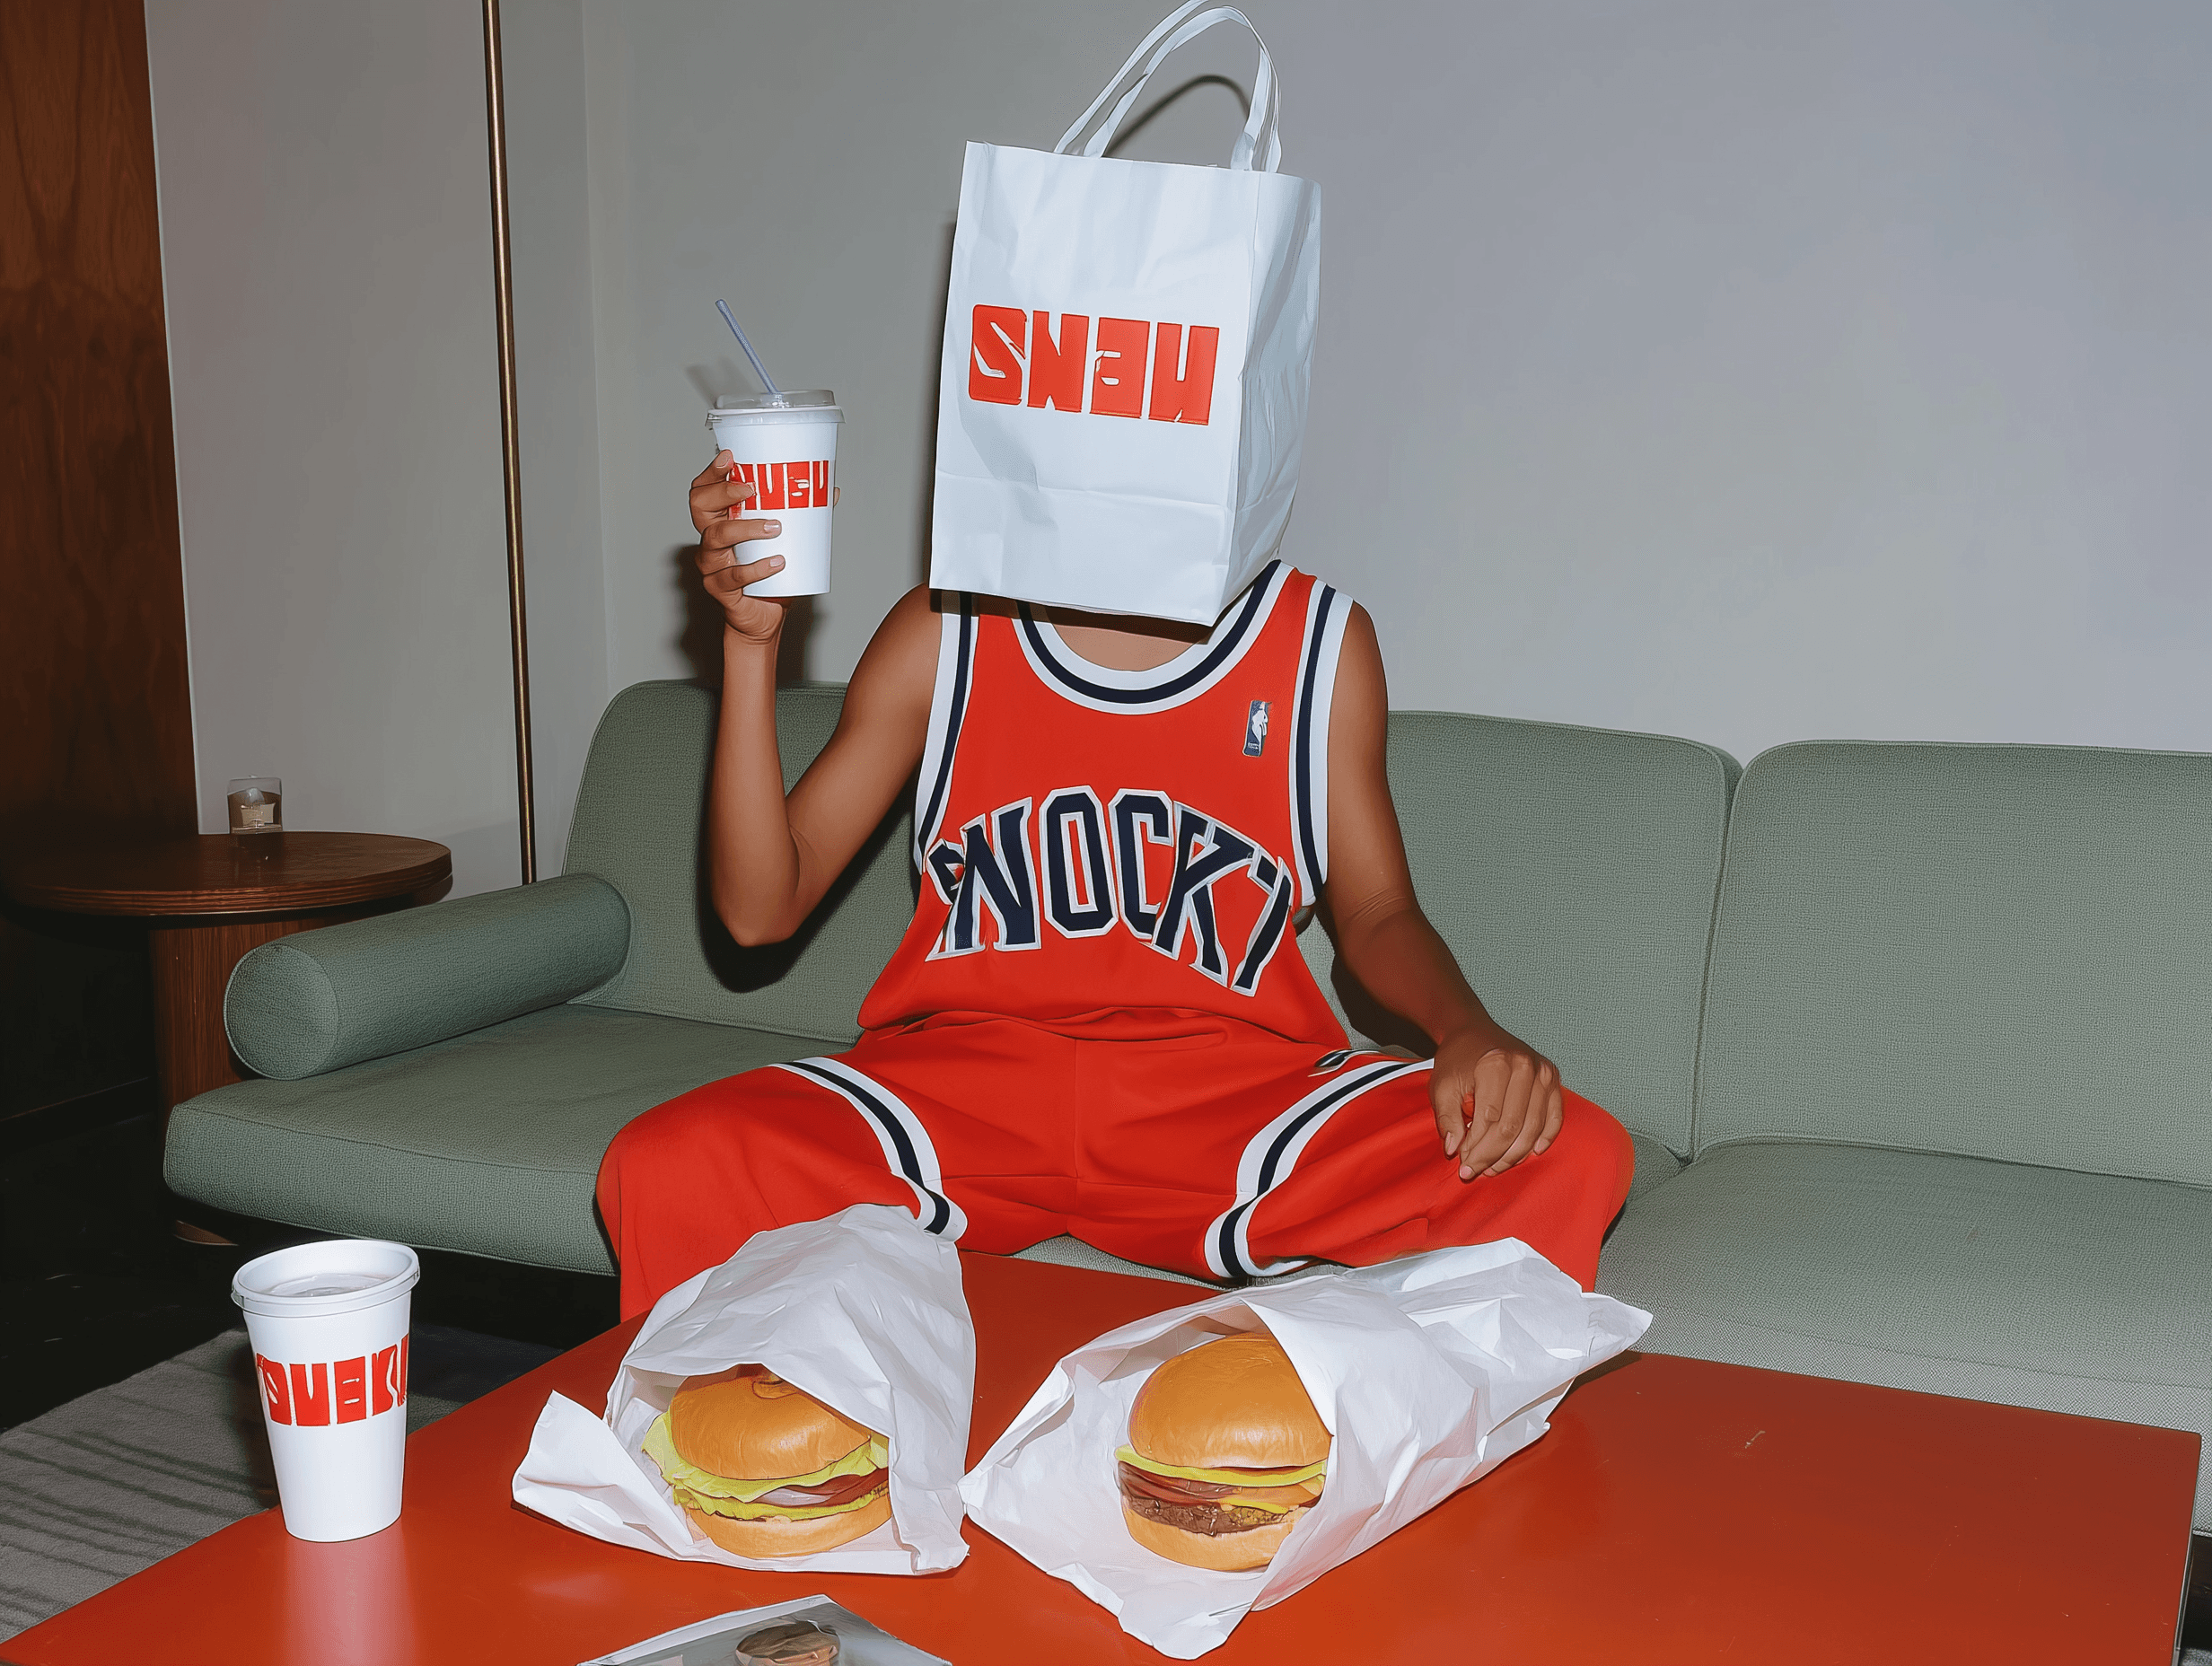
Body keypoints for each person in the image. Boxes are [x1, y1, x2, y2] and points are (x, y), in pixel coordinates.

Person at [597, 453, 1633, 1320]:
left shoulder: (1316, 640)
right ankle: (746, 1494)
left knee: (1568, 1150)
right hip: (962, 1091)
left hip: (1230, 1101)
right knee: (663, 1161)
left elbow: (1375, 911)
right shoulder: (944, 625)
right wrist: (747, 648)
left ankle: (1381, 1479)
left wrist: (1466, 1025)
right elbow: (757, 906)